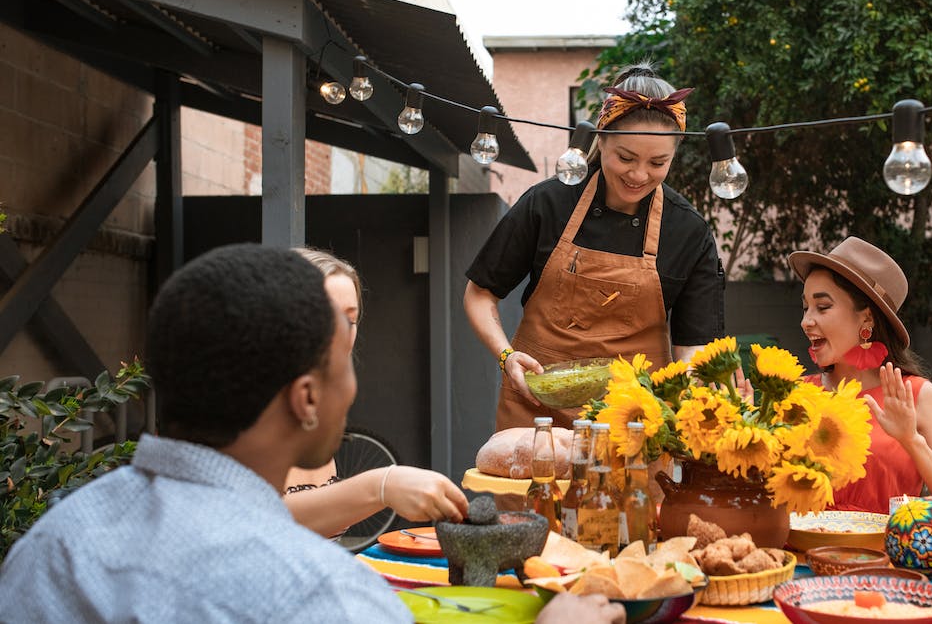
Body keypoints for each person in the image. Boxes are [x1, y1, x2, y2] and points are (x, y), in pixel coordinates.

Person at [0, 244, 409, 622]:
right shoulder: (330, 600)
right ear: (306, 398)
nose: (351, 385)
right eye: (340, 366)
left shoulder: (52, 546)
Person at [465, 62, 726, 431]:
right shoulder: (549, 203)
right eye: (625, 157)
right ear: (600, 140)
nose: (638, 175)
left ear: (675, 155)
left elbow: (694, 345)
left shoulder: (687, 231)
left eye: (658, 162)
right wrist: (507, 356)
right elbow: (479, 293)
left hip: (634, 428)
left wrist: (681, 394)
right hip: (536, 416)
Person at [283, 248, 468, 537]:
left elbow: (321, 524)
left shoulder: (315, 407)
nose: (343, 330)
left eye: (351, 318)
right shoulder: (255, 410)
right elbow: (256, 518)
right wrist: (381, 486)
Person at [787, 236, 932, 514]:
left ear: (867, 318)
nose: (806, 321)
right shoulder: (797, 393)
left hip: (885, 553)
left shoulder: (918, 395)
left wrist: (910, 440)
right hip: (802, 551)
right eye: (805, 308)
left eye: (822, 307)